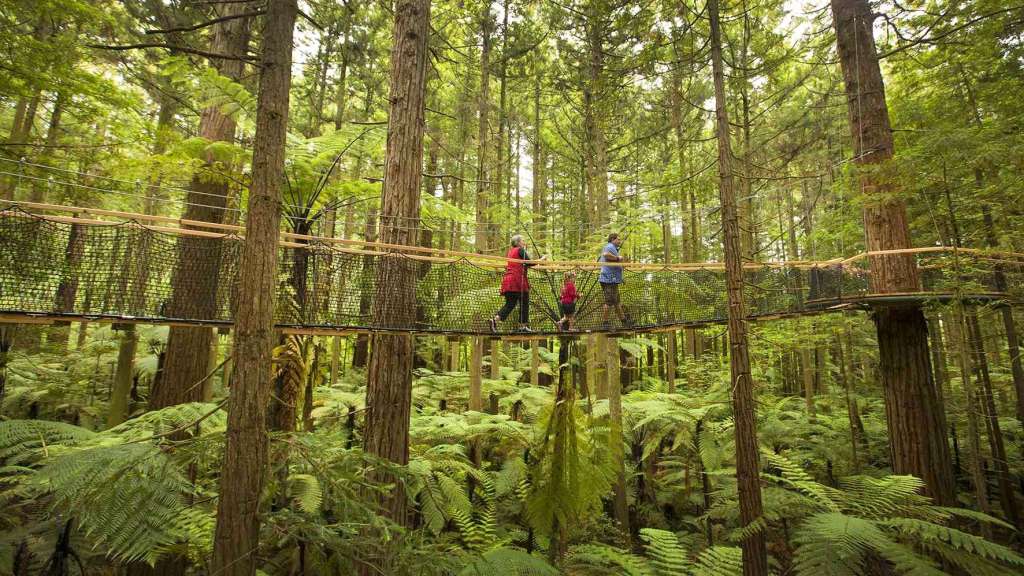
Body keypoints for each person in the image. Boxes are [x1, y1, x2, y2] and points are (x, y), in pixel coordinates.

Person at [491, 234, 545, 332]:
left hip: (508, 280)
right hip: (517, 281)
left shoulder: (510, 252)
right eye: (522, 241)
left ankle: (495, 320)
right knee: (524, 302)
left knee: (510, 304)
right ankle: (523, 326)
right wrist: (541, 260)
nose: (524, 243)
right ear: (519, 242)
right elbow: (530, 262)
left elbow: (523, 263)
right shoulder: (520, 250)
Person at [599, 232, 628, 327]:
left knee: (617, 302)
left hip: (613, 280)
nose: (620, 241)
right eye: (618, 239)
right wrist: (617, 257)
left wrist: (621, 278)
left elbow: (615, 264)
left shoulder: (613, 248)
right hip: (609, 280)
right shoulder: (609, 246)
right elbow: (605, 254)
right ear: (613, 240)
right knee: (609, 302)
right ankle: (605, 323)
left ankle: (624, 322)